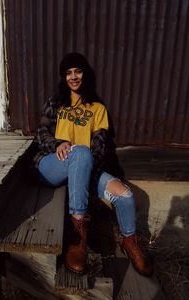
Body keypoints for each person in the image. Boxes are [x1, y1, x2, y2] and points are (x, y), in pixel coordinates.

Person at [33, 52, 153, 277]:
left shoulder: (97, 109)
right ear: (63, 77)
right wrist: (58, 143)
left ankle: (129, 242)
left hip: (84, 163)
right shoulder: (55, 103)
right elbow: (41, 134)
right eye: (68, 73)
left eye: (77, 71)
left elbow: (98, 148)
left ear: (84, 74)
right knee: (79, 152)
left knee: (125, 196)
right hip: (52, 165)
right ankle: (78, 236)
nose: (73, 77)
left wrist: (84, 164)